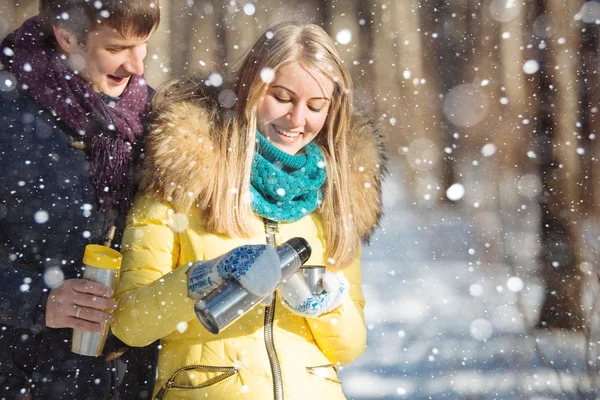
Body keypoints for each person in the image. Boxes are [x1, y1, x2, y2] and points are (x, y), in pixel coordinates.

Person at [111, 21, 386, 400]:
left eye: (316, 106)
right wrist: (207, 276)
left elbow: (350, 347)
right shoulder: (183, 179)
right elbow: (129, 324)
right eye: (284, 98)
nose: (297, 119)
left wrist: (326, 305)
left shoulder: (335, 197)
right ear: (252, 88)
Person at [0, 0, 160, 398]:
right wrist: (37, 300)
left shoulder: (160, 121)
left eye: (143, 46)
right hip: (24, 375)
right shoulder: (9, 117)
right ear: (67, 37)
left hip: (129, 380)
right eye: (117, 49)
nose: (137, 67)